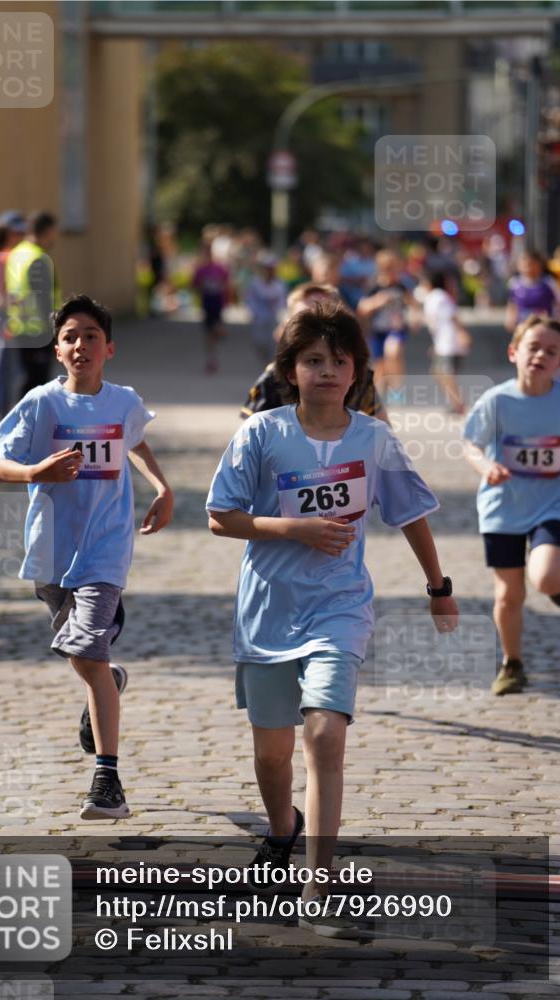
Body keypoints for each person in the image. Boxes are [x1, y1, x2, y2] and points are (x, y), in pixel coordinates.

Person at [207, 301, 458, 935]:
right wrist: (293, 528)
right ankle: (280, 827)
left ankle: (317, 886)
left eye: (338, 360)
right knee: (272, 756)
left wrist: (439, 586)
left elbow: (409, 513)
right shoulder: (261, 434)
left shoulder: (373, 439)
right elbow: (220, 516)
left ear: (356, 372)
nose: (326, 370)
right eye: (313, 359)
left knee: (325, 735)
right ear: (290, 370)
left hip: (340, 608)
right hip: (267, 612)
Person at [0, 294, 174, 819]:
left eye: (90, 336)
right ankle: (109, 683)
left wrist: (163, 488)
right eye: (70, 337)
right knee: (87, 659)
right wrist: (34, 472)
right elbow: (1, 465)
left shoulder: (124, 402)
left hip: (105, 549)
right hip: (51, 551)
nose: (80, 345)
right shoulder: (41, 403)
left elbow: (135, 442)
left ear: (109, 348)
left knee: (86, 652)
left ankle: (107, 778)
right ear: (57, 349)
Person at [463, 315, 560, 696]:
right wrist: (486, 466)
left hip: (553, 502)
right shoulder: (497, 400)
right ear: (514, 352)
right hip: (503, 506)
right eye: (533, 347)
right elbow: (471, 444)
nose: (541, 354)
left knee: (547, 578)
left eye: (551, 351)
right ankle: (512, 663)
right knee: (509, 595)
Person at [240, 282, 388, 424]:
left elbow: (386, 434)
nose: (319, 332)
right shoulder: (274, 377)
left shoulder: (355, 373)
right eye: (306, 322)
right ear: (286, 329)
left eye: (327, 321)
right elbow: (250, 436)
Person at [5, 211, 62, 396]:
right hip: (38, 330)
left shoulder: (17, 253)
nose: (55, 237)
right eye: (54, 232)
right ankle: (32, 423)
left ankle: (26, 420)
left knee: (27, 379)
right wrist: (54, 328)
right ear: (46, 231)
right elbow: (43, 297)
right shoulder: (37, 258)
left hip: (19, 326)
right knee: (37, 383)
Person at [357, 249, 416, 396]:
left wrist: (415, 318)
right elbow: (362, 308)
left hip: (397, 328)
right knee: (380, 366)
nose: (397, 273)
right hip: (378, 329)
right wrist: (378, 301)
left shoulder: (401, 286)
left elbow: (413, 305)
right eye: (393, 269)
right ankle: (380, 396)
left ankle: (397, 389)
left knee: (393, 351)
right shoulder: (374, 286)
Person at [421, 270, 472, 414]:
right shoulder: (435, 297)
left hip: (449, 342)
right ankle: (456, 403)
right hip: (443, 342)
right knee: (440, 373)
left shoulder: (438, 297)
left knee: (445, 374)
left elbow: (452, 317)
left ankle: (458, 404)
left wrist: (462, 333)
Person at [505, 249, 560, 332]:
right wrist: (510, 319)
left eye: (530, 263)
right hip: (523, 328)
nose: (527, 267)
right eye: (523, 263)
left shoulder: (549, 282)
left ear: (539, 265)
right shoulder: (515, 283)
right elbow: (512, 304)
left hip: (546, 329)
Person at [192, 241, 230, 374]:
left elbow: (227, 284)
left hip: (217, 302)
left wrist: (226, 299)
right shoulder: (200, 269)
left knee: (215, 329)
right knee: (208, 332)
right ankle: (211, 359)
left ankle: (219, 334)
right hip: (207, 303)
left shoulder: (219, 268)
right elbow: (194, 285)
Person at [244, 253, 287, 363]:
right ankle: (264, 359)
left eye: (270, 268)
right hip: (258, 318)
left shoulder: (280, 284)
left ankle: (271, 365)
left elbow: (282, 300)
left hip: (273, 318)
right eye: (266, 268)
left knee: (273, 343)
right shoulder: (255, 283)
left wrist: (279, 311)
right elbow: (249, 299)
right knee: (259, 342)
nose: (268, 271)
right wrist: (253, 311)